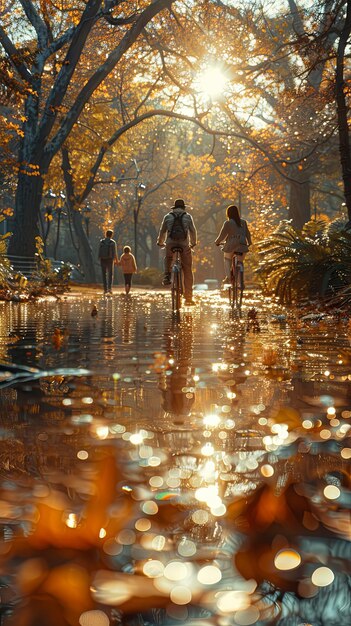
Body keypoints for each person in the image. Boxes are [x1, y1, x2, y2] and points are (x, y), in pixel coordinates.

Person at [156, 198, 197, 306]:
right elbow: (193, 231)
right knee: (187, 269)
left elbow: (162, 231)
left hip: (170, 243)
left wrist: (160, 242)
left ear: (174, 208)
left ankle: (167, 275)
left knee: (169, 258)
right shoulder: (188, 217)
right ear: (184, 207)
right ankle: (188, 297)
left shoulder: (168, 216)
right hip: (184, 245)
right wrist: (193, 243)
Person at [214, 204, 252, 283]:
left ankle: (228, 277)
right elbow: (247, 233)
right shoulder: (243, 222)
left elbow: (222, 235)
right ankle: (241, 279)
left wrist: (217, 242)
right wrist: (249, 242)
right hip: (242, 245)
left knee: (227, 259)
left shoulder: (228, 223)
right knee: (240, 261)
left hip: (230, 245)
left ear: (228, 214)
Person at [98, 229, 118, 294]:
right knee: (110, 274)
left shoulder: (101, 241)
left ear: (106, 234)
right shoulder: (112, 242)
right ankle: (109, 288)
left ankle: (105, 289)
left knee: (104, 274)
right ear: (111, 235)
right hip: (110, 259)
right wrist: (116, 260)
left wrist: (99, 257)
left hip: (103, 259)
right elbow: (114, 252)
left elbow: (99, 250)